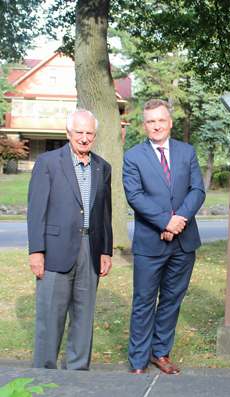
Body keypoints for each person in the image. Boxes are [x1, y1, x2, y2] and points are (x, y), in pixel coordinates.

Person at [123, 99, 205, 374]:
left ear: (170, 122)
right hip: (150, 243)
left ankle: (161, 353)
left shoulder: (188, 152)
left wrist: (177, 222)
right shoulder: (133, 156)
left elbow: (197, 191)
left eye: (161, 120)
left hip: (183, 242)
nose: (157, 126)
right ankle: (138, 360)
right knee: (144, 301)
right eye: (151, 122)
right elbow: (135, 196)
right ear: (144, 125)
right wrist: (165, 222)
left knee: (171, 300)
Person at [28, 109, 113, 370]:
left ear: (95, 136)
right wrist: (36, 251)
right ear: (68, 133)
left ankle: (77, 373)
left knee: (84, 316)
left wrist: (106, 250)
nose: (84, 138)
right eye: (79, 132)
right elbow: (36, 209)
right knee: (50, 316)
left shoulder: (103, 167)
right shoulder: (48, 162)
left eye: (89, 133)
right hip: (55, 250)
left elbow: (105, 212)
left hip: (91, 249)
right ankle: (43, 372)